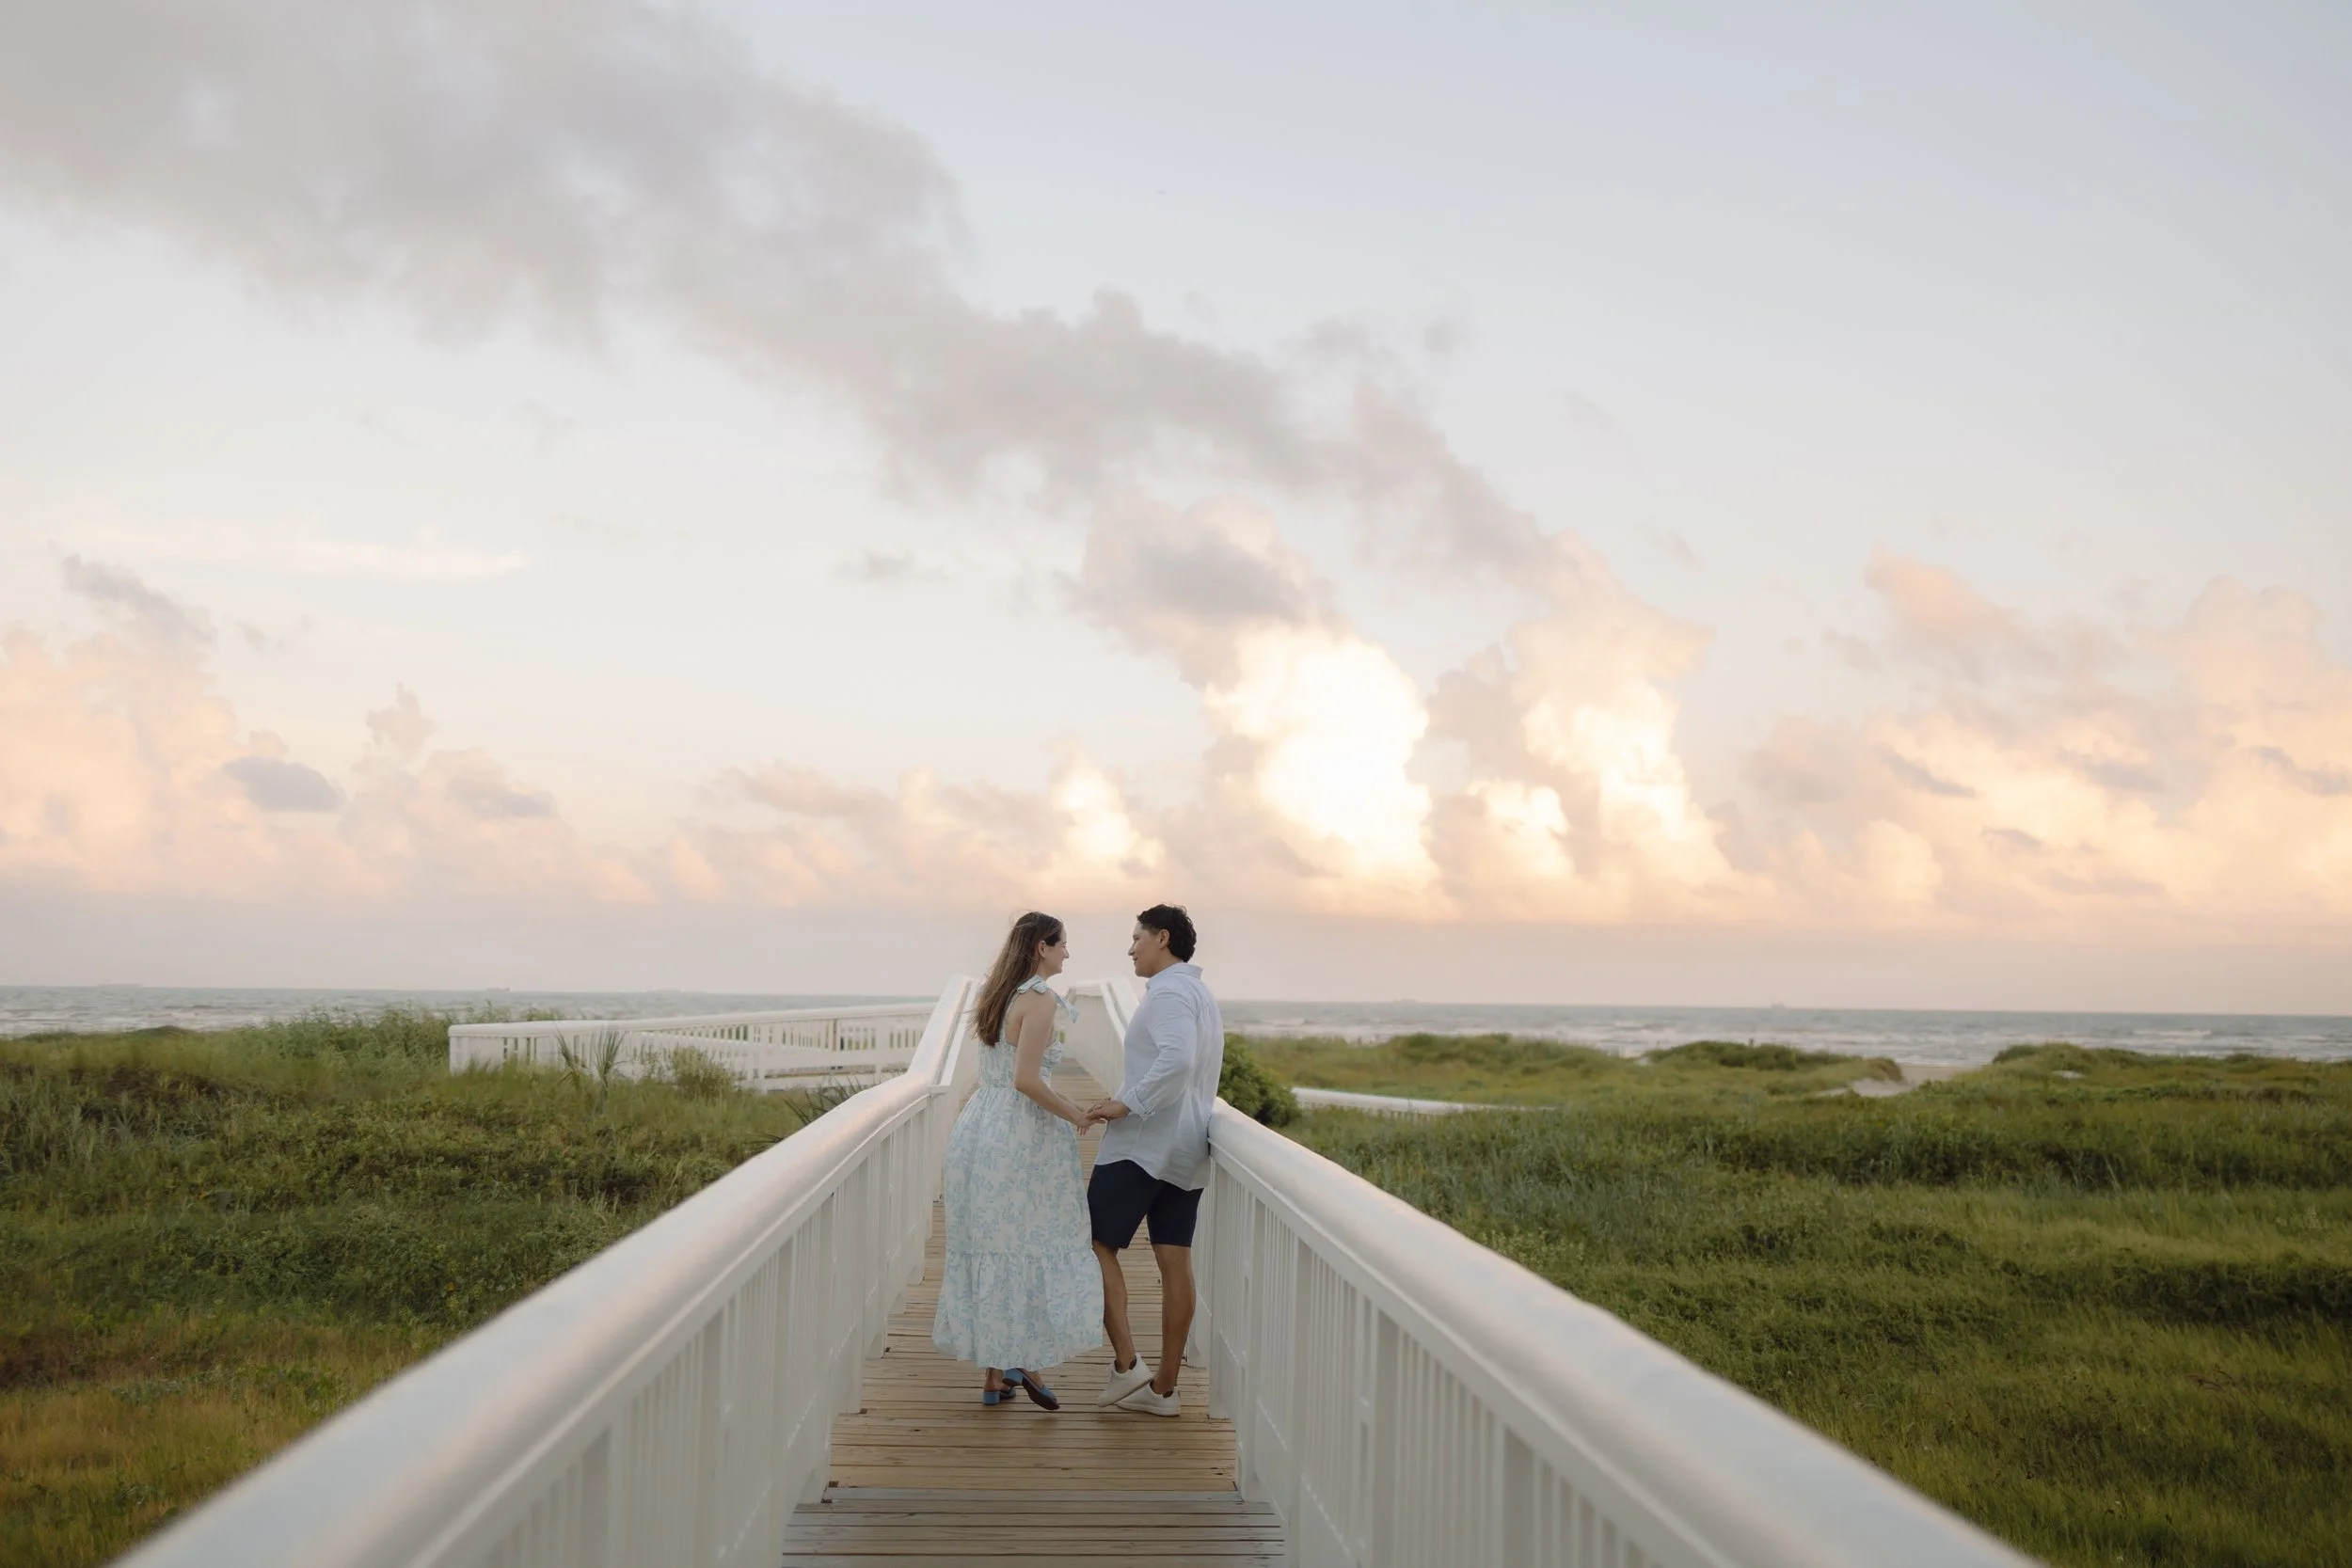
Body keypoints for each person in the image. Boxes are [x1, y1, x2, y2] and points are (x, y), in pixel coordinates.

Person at [931, 911, 1104, 1407]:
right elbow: (1026, 1080)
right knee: (1031, 1239)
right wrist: (1076, 1113)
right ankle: (1023, 1360)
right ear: (1041, 948)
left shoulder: (999, 994)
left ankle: (996, 1374)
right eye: (1063, 944)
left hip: (981, 1126)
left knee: (996, 1241)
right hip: (1021, 1134)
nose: (1068, 953)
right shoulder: (1040, 999)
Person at [1086, 903, 1224, 1417]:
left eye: (1136, 938)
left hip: (1144, 1145)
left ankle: (1127, 1364)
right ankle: (1163, 1390)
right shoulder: (1201, 994)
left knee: (1091, 1242)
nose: (1130, 950)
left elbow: (1178, 1059)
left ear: (1162, 938)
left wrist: (1129, 1103)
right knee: (1174, 1259)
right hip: (1187, 1144)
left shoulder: (1168, 993)